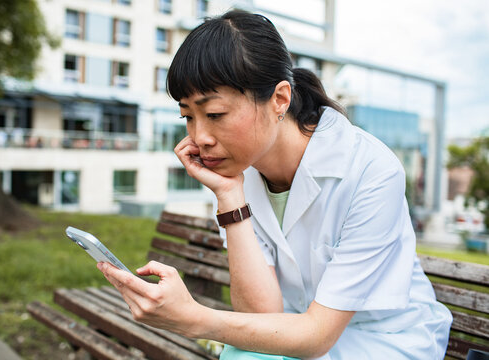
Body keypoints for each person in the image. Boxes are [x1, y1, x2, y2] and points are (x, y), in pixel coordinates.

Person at [98, 10, 452, 359]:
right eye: (188, 117)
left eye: (215, 114)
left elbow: (317, 336)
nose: (199, 137)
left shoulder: (371, 171)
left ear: (280, 99)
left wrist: (193, 319)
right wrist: (229, 195)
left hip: (385, 342)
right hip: (298, 333)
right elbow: (261, 314)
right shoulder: (236, 171)